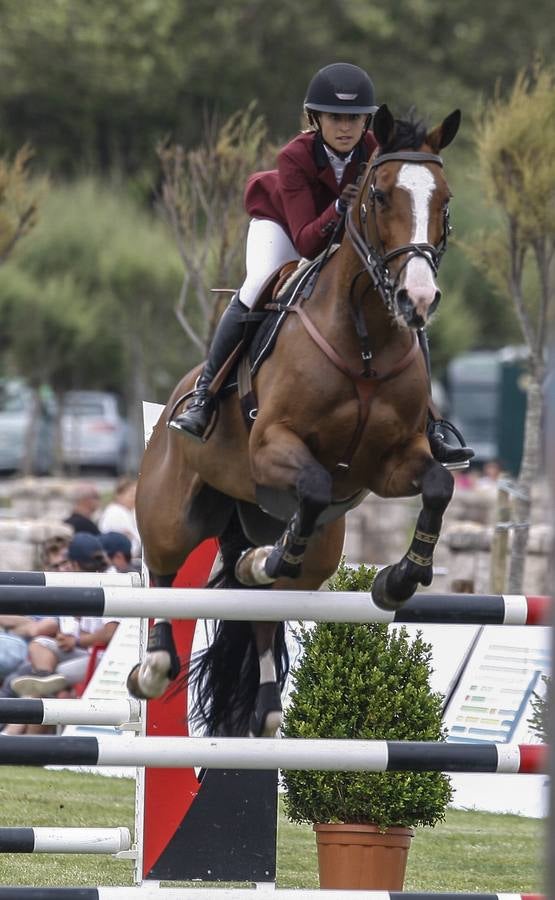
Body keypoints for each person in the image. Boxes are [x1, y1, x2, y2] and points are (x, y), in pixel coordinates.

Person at [169, 62, 473, 466]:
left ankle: (432, 423)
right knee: (258, 281)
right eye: (335, 118)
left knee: (401, 298)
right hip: (285, 225)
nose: (345, 127)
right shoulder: (294, 156)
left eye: (354, 119)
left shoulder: (375, 152)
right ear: (317, 119)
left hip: (345, 233)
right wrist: (339, 208)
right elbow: (308, 241)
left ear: (367, 121)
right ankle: (205, 396)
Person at [98, 478, 141, 560]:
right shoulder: (115, 512)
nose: (134, 499)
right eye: (131, 495)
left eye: (136, 496)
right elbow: (132, 543)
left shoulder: (128, 512)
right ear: (119, 495)